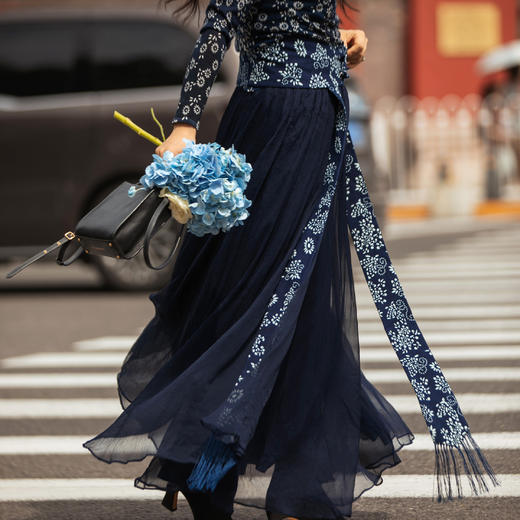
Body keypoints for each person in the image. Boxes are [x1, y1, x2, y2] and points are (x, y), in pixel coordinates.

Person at [82, 0, 498, 518]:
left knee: (299, 312)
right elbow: (217, 31)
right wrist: (185, 124)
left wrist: (345, 36)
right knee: (255, 302)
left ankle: (277, 486)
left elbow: (301, 22)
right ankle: (207, 465)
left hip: (317, 129)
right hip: (274, 129)